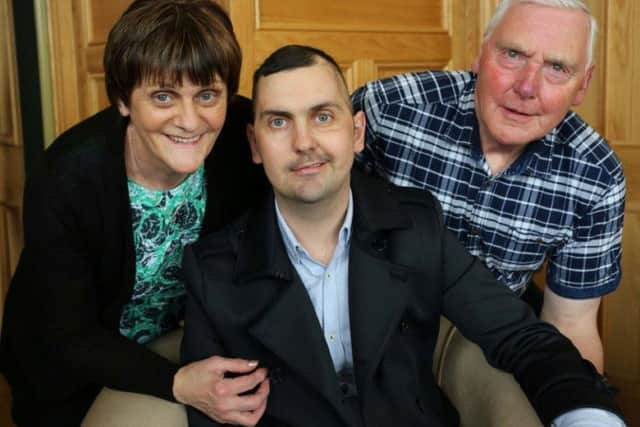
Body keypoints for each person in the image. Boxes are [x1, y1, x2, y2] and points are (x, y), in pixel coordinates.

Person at [181, 44, 625, 427]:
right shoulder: (212, 269)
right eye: (279, 122)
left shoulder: (417, 228)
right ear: (255, 145)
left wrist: (588, 414)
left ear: (356, 132)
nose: (304, 142)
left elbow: (519, 336)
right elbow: (212, 415)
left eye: (323, 116)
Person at [0, 0, 270, 425]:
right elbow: (66, 334)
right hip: (68, 366)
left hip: (173, 341)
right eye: (163, 96)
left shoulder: (240, 136)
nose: (189, 120)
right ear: (123, 100)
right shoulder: (67, 176)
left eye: (207, 95)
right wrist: (179, 383)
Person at [351, 0, 625, 373]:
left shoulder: (596, 176)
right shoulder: (388, 108)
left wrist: (578, 406)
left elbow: (571, 324)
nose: (527, 87)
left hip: (486, 346)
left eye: (557, 67)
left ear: (583, 85)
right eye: (513, 54)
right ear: (480, 55)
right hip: (366, 325)